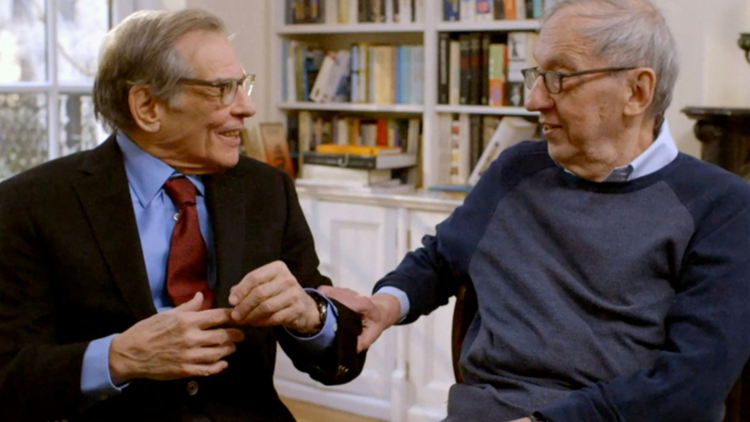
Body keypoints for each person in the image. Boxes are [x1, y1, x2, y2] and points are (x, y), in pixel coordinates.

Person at [321, 0, 750, 421]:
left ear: (636, 91)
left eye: (559, 77)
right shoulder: (516, 169)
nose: (534, 100)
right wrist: (387, 303)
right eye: (537, 75)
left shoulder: (724, 208)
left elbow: (692, 385)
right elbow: (440, 259)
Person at [0, 9, 365, 422]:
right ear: (147, 106)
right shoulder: (29, 204)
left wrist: (309, 315)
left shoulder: (267, 189)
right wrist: (118, 357)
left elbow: (338, 360)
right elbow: (9, 377)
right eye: (222, 89)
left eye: (243, 85)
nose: (246, 107)